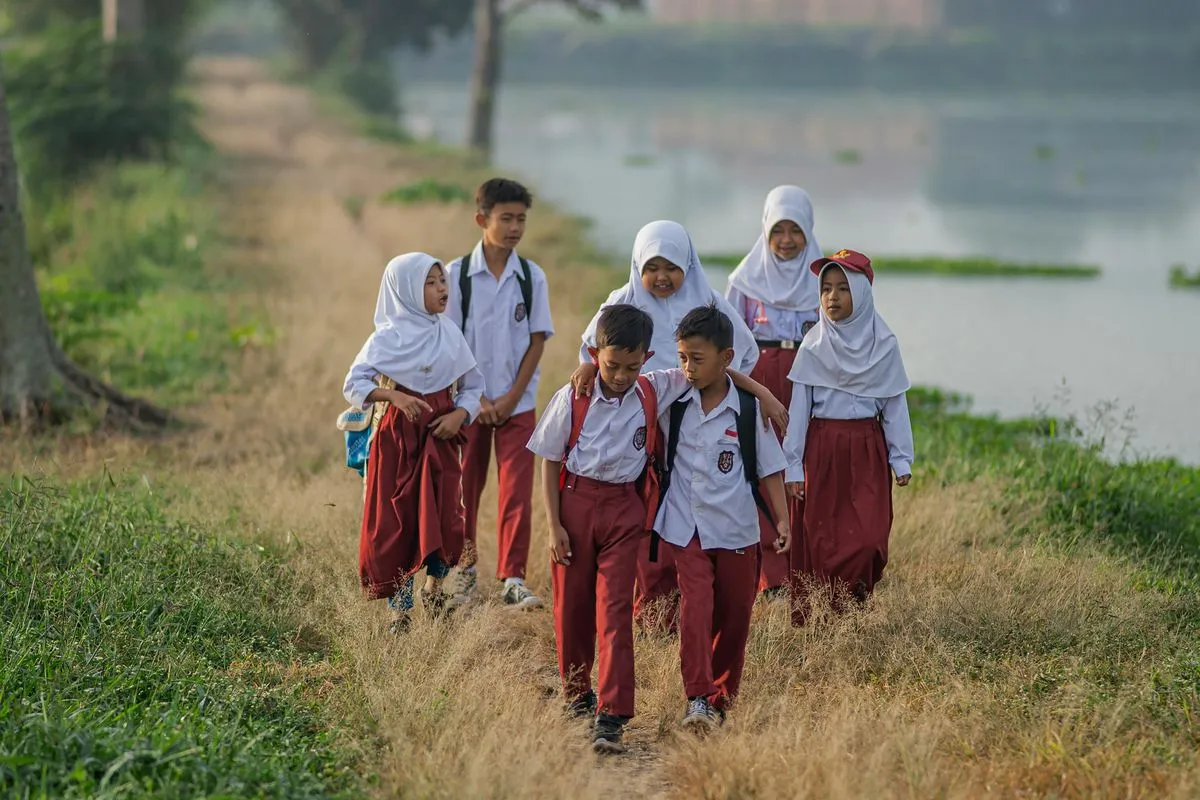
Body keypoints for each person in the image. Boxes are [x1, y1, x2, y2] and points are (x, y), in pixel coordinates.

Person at [574, 220, 760, 631]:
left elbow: (742, 351)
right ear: (637, 264)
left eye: (672, 267)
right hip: (635, 431)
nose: (662, 277)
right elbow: (590, 352)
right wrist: (589, 370)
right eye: (652, 266)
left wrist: (716, 391)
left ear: (689, 266)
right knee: (645, 512)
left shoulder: (708, 303)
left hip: (693, 430)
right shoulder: (620, 302)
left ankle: (690, 603)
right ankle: (653, 608)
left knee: (690, 509)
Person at [653, 305, 791, 730]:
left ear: (726, 359)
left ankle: (722, 700)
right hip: (685, 526)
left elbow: (769, 468)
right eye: (682, 358)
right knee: (695, 610)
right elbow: (623, 382)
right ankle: (697, 696)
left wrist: (783, 522)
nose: (688, 368)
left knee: (735, 616)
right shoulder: (673, 399)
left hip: (736, 530)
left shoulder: (748, 410)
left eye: (697, 359)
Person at [343, 253, 484, 633]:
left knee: (444, 514)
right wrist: (394, 398)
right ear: (405, 290)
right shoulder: (386, 338)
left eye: (443, 280)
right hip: (397, 440)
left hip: (440, 436)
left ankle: (434, 589)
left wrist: (458, 416)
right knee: (397, 519)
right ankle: (399, 613)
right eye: (431, 282)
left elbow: (473, 387)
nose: (442, 288)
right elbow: (353, 384)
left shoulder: (449, 333)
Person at [783, 249, 914, 626]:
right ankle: (830, 618)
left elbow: (894, 405)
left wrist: (900, 457)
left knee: (869, 540)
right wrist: (793, 465)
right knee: (823, 538)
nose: (832, 297)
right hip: (823, 449)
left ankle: (854, 603)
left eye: (843, 288)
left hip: (867, 450)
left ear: (862, 293)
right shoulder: (813, 345)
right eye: (826, 288)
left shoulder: (885, 345)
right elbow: (799, 411)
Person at [445, 178, 554, 609]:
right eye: (505, 218)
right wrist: (479, 400)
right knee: (463, 489)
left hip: (519, 403)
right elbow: (451, 343)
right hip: (469, 405)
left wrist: (509, 398)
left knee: (516, 492)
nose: (514, 228)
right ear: (481, 219)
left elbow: (537, 340)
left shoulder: (531, 277)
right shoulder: (457, 277)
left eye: (521, 219)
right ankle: (464, 570)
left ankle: (512, 577)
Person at [725, 185, 823, 597]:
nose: (786, 240)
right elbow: (728, 341)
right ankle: (772, 573)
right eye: (778, 229)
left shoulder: (824, 279)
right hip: (758, 379)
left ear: (809, 231)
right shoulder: (744, 280)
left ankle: (807, 563)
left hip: (807, 379)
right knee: (763, 465)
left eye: (795, 230)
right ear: (765, 230)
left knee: (802, 462)